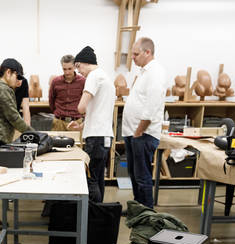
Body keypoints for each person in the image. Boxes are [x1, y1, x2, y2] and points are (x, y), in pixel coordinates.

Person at [0, 58, 32, 230]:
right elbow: (13, 116)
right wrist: (31, 132)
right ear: (8, 72)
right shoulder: (2, 90)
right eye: (16, 75)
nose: (18, 80)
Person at [122, 37, 167, 209]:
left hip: (143, 134)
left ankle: (147, 213)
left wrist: (139, 131)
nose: (132, 58)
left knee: (142, 175)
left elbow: (152, 106)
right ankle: (138, 209)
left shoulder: (155, 72)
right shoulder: (143, 72)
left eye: (135, 54)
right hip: (133, 132)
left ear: (147, 52)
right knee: (134, 174)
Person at [69, 46, 115, 202]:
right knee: (98, 177)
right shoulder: (105, 77)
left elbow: (81, 107)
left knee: (91, 179)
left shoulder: (94, 76)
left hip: (95, 138)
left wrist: (79, 108)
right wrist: (81, 126)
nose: (78, 71)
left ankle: (91, 216)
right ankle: (99, 214)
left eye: (78, 66)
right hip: (104, 136)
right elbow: (99, 112)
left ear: (86, 62)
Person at [49, 54, 85, 131]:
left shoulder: (83, 82)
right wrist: (58, 113)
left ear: (75, 67)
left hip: (76, 122)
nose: (67, 72)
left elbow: (85, 101)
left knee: (76, 143)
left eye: (70, 69)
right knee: (56, 143)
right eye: (64, 69)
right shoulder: (55, 82)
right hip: (59, 122)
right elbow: (51, 100)